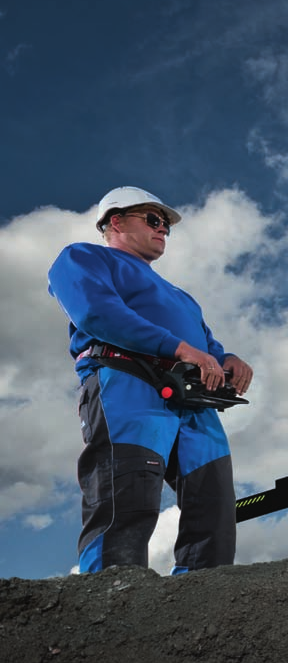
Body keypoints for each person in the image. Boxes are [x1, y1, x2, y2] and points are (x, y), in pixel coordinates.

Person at [48, 186, 253, 574]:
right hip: (127, 384)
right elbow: (97, 313)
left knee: (215, 508)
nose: (162, 230)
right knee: (126, 501)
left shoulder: (182, 297)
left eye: (166, 227)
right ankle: (110, 603)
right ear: (116, 222)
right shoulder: (82, 257)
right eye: (153, 220)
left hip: (192, 397)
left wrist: (228, 359)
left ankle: (198, 603)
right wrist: (178, 348)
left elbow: (208, 344)